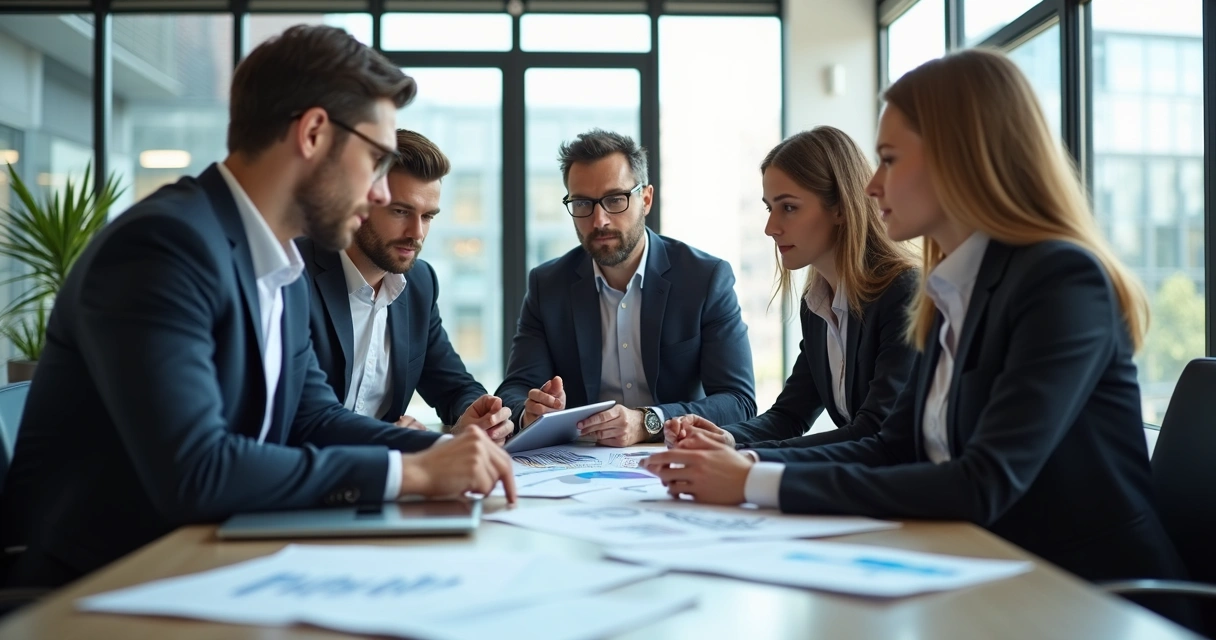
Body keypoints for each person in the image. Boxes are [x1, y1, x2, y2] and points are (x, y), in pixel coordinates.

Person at [643, 49, 1194, 622]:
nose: (872, 185)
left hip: (1094, 598)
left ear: (959, 158)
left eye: (888, 160)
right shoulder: (951, 288)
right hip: (984, 570)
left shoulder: (1060, 280)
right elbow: (892, 445)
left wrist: (755, 481)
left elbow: (984, 482)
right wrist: (742, 460)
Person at [0, 25, 515, 589]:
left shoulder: (280, 261)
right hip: (109, 585)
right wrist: (410, 471)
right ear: (314, 133)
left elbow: (312, 417)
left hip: (217, 563)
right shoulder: (163, 248)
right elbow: (198, 470)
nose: (378, 194)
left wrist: (449, 451)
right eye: (374, 160)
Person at [496, 129, 756, 447]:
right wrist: (529, 413)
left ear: (645, 199)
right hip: (578, 464)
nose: (599, 220)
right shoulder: (547, 284)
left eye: (615, 199)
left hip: (675, 454)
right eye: (582, 203)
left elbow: (738, 401)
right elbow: (515, 389)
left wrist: (647, 421)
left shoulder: (704, 278)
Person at [664, 127, 918, 451]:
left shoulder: (903, 294)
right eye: (770, 208)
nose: (771, 228)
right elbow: (789, 416)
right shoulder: (817, 304)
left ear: (840, 207)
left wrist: (745, 459)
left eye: (788, 207)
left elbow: (874, 431)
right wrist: (724, 438)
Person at [297, 129, 512, 445]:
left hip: (382, 482)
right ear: (361, 202)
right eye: (401, 212)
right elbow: (301, 415)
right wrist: (393, 439)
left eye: (428, 217)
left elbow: (453, 386)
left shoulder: (419, 283)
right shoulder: (293, 273)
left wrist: (480, 415)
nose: (417, 233)